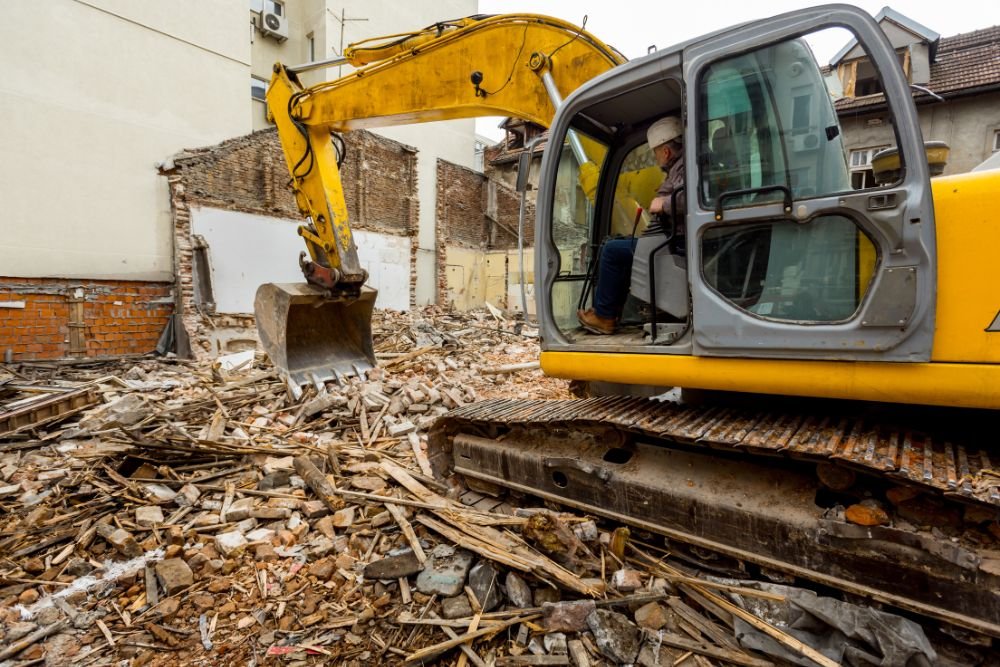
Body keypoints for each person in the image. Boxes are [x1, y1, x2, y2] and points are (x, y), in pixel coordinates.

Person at [578, 115, 685, 335]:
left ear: (665, 152)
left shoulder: (685, 168)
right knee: (620, 244)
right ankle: (612, 314)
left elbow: (692, 198)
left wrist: (663, 203)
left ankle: (605, 316)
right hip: (672, 239)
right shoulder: (683, 167)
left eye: (655, 153)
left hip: (675, 243)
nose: (656, 159)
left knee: (611, 251)